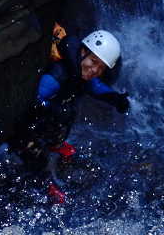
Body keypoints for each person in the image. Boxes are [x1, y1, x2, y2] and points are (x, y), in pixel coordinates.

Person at [8, 23, 130, 203]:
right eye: (94, 61)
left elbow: (95, 87)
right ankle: (45, 185)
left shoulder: (80, 72)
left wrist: (115, 99)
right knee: (37, 154)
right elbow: (29, 102)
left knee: (67, 110)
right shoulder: (58, 74)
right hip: (18, 123)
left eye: (101, 67)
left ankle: (54, 143)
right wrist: (51, 109)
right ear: (83, 52)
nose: (95, 70)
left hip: (41, 117)